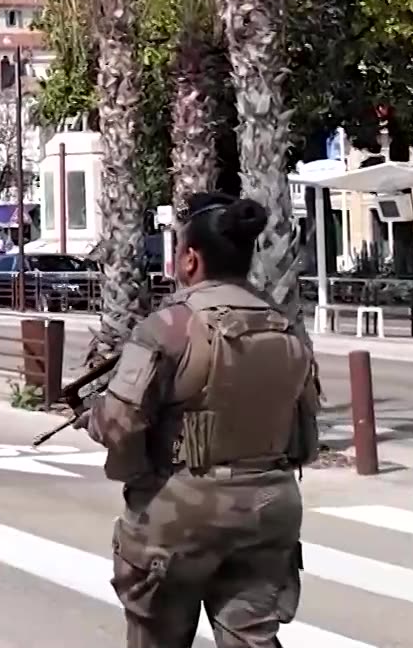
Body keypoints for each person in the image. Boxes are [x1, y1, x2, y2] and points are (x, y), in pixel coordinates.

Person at [84, 193, 322, 648]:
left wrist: (110, 438)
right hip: (269, 509)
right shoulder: (285, 326)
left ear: (190, 260)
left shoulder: (170, 326)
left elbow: (119, 424)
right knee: (252, 636)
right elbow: (306, 437)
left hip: (180, 513)